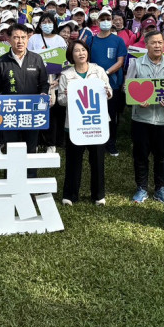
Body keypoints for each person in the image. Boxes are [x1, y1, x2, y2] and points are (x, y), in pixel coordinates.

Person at [125, 28, 164, 203]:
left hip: (163, 118)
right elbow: (127, 88)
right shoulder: (136, 63)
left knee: (162, 155)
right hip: (141, 118)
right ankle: (141, 188)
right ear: (146, 45)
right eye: (153, 43)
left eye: (160, 42)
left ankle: (160, 188)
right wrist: (137, 99)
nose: (157, 46)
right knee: (140, 155)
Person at [58, 39, 111, 205]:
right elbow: (60, 100)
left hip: (96, 123)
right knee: (73, 160)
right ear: (71, 55)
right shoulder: (66, 75)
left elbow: (109, 91)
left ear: (87, 52)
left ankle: (98, 195)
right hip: (75, 125)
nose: (81, 53)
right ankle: (70, 195)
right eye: (76, 50)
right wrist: (67, 96)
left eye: (83, 50)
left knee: (97, 160)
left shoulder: (98, 70)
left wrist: (107, 92)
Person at [0, 23, 50, 157]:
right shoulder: (0, 62)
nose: (20, 41)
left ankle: (30, 171)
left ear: (28, 39)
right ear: (9, 39)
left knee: (30, 150)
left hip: (32, 113)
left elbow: (44, 83)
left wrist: (43, 93)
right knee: (12, 150)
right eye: (16, 37)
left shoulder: (36, 59)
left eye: (23, 37)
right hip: (10, 113)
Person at [85, 9, 127, 157]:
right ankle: (95, 142)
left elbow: (120, 62)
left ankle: (111, 143)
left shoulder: (118, 41)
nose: (105, 21)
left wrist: (105, 74)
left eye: (108, 19)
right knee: (95, 113)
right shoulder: (91, 40)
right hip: (93, 82)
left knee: (111, 114)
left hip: (112, 83)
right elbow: (86, 60)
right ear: (97, 21)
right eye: (102, 19)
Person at [28, 12, 68, 153]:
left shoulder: (59, 40)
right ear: (39, 25)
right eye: (44, 22)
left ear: (54, 24)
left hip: (54, 82)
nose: (47, 25)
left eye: (49, 22)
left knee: (53, 114)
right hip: (36, 81)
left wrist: (58, 80)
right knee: (37, 112)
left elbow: (65, 63)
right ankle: (36, 142)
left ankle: (51, 143)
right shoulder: (34, 39)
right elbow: (28, 58)